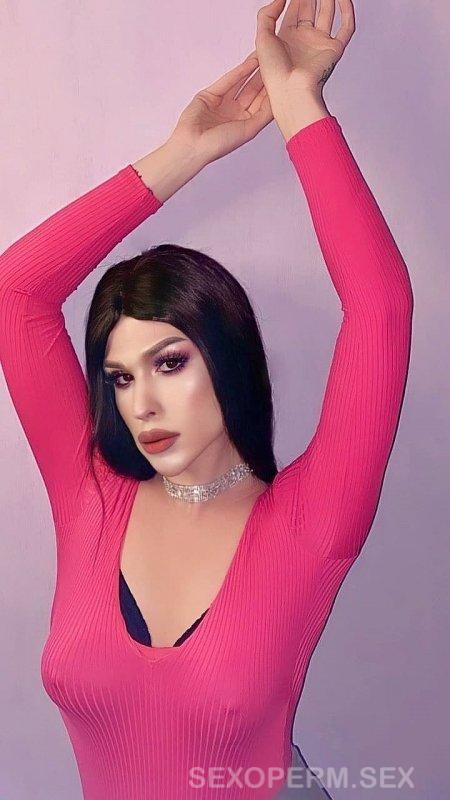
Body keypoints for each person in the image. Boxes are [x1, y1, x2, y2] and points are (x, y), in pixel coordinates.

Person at [0, 0, 413, 798]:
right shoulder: (90, 496)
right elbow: (15, 293)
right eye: (121, 377)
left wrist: (298, 107)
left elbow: (381, 308)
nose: (142, 404)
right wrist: (185, 151)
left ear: (225, 359)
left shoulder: (311, 521)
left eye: (169, 363)